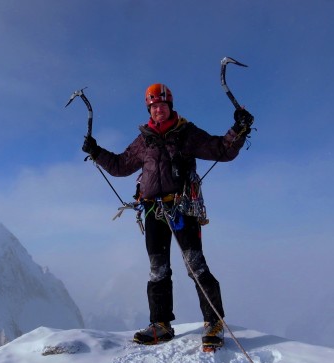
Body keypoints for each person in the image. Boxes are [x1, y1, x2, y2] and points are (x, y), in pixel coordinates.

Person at [82, 83, 253, 348]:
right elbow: (120, 165)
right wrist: (96, 152)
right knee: (157, 270)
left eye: (161, 105)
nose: (158, 110)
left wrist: (238, 130)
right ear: (149, 110)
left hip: (182, 207)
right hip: (153, 210)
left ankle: (214, 322)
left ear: (170, 107)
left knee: (195, 266)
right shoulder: (144, 140)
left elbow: (221, 149)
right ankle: (160, 325)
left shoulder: (186, 133)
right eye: (153, 107)